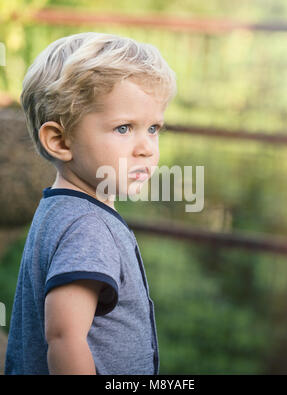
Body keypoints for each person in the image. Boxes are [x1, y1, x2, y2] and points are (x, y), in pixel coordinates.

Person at [4, 32, 177, 375]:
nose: (146, 148)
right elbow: (65, 339)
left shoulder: (60, 207)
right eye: (124, 128)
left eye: (154, 128)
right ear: (59, 140)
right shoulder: (88, 227)